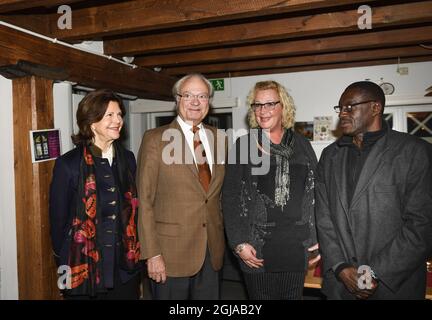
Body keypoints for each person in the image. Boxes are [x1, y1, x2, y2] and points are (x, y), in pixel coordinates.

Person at [316, 81, 432, 300]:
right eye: (340, 108)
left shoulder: (415, 152)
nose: (342, 113)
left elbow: (422, 225)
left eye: (350, 106)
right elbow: (324, 218)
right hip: (341, 286)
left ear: (375, 108)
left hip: (393, 286)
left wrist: (373, 272)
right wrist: (341, 267)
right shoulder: (330, 156)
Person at [222, 80, 321, 300]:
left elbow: (316, 192)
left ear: (283, 107)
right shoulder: (244, 146)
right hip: (257, 248)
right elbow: (229, 197)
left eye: (269, 104)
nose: (262, 111)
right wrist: (238, 243)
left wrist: (318, 235)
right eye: (257, 105)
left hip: (296, 245)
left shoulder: (302, 145)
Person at [137, 73, 226, 300]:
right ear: (177, 99)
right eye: (188, 95)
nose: (195, 102)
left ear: (209, 101)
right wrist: (152, 253)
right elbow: (144, 201)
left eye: (202, 96)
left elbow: (221, 195)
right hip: (169, 255)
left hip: (211, 252)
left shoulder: (221, 139)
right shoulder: (155, 139)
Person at [49, 89, 142, 299]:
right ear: (91, 122)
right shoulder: (69, 164)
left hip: (124, 266)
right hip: (82, 266)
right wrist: (63, 260)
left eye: (119, 114)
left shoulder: (128, 159)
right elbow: (58, 222)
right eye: (109, 115)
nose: (118, 120)